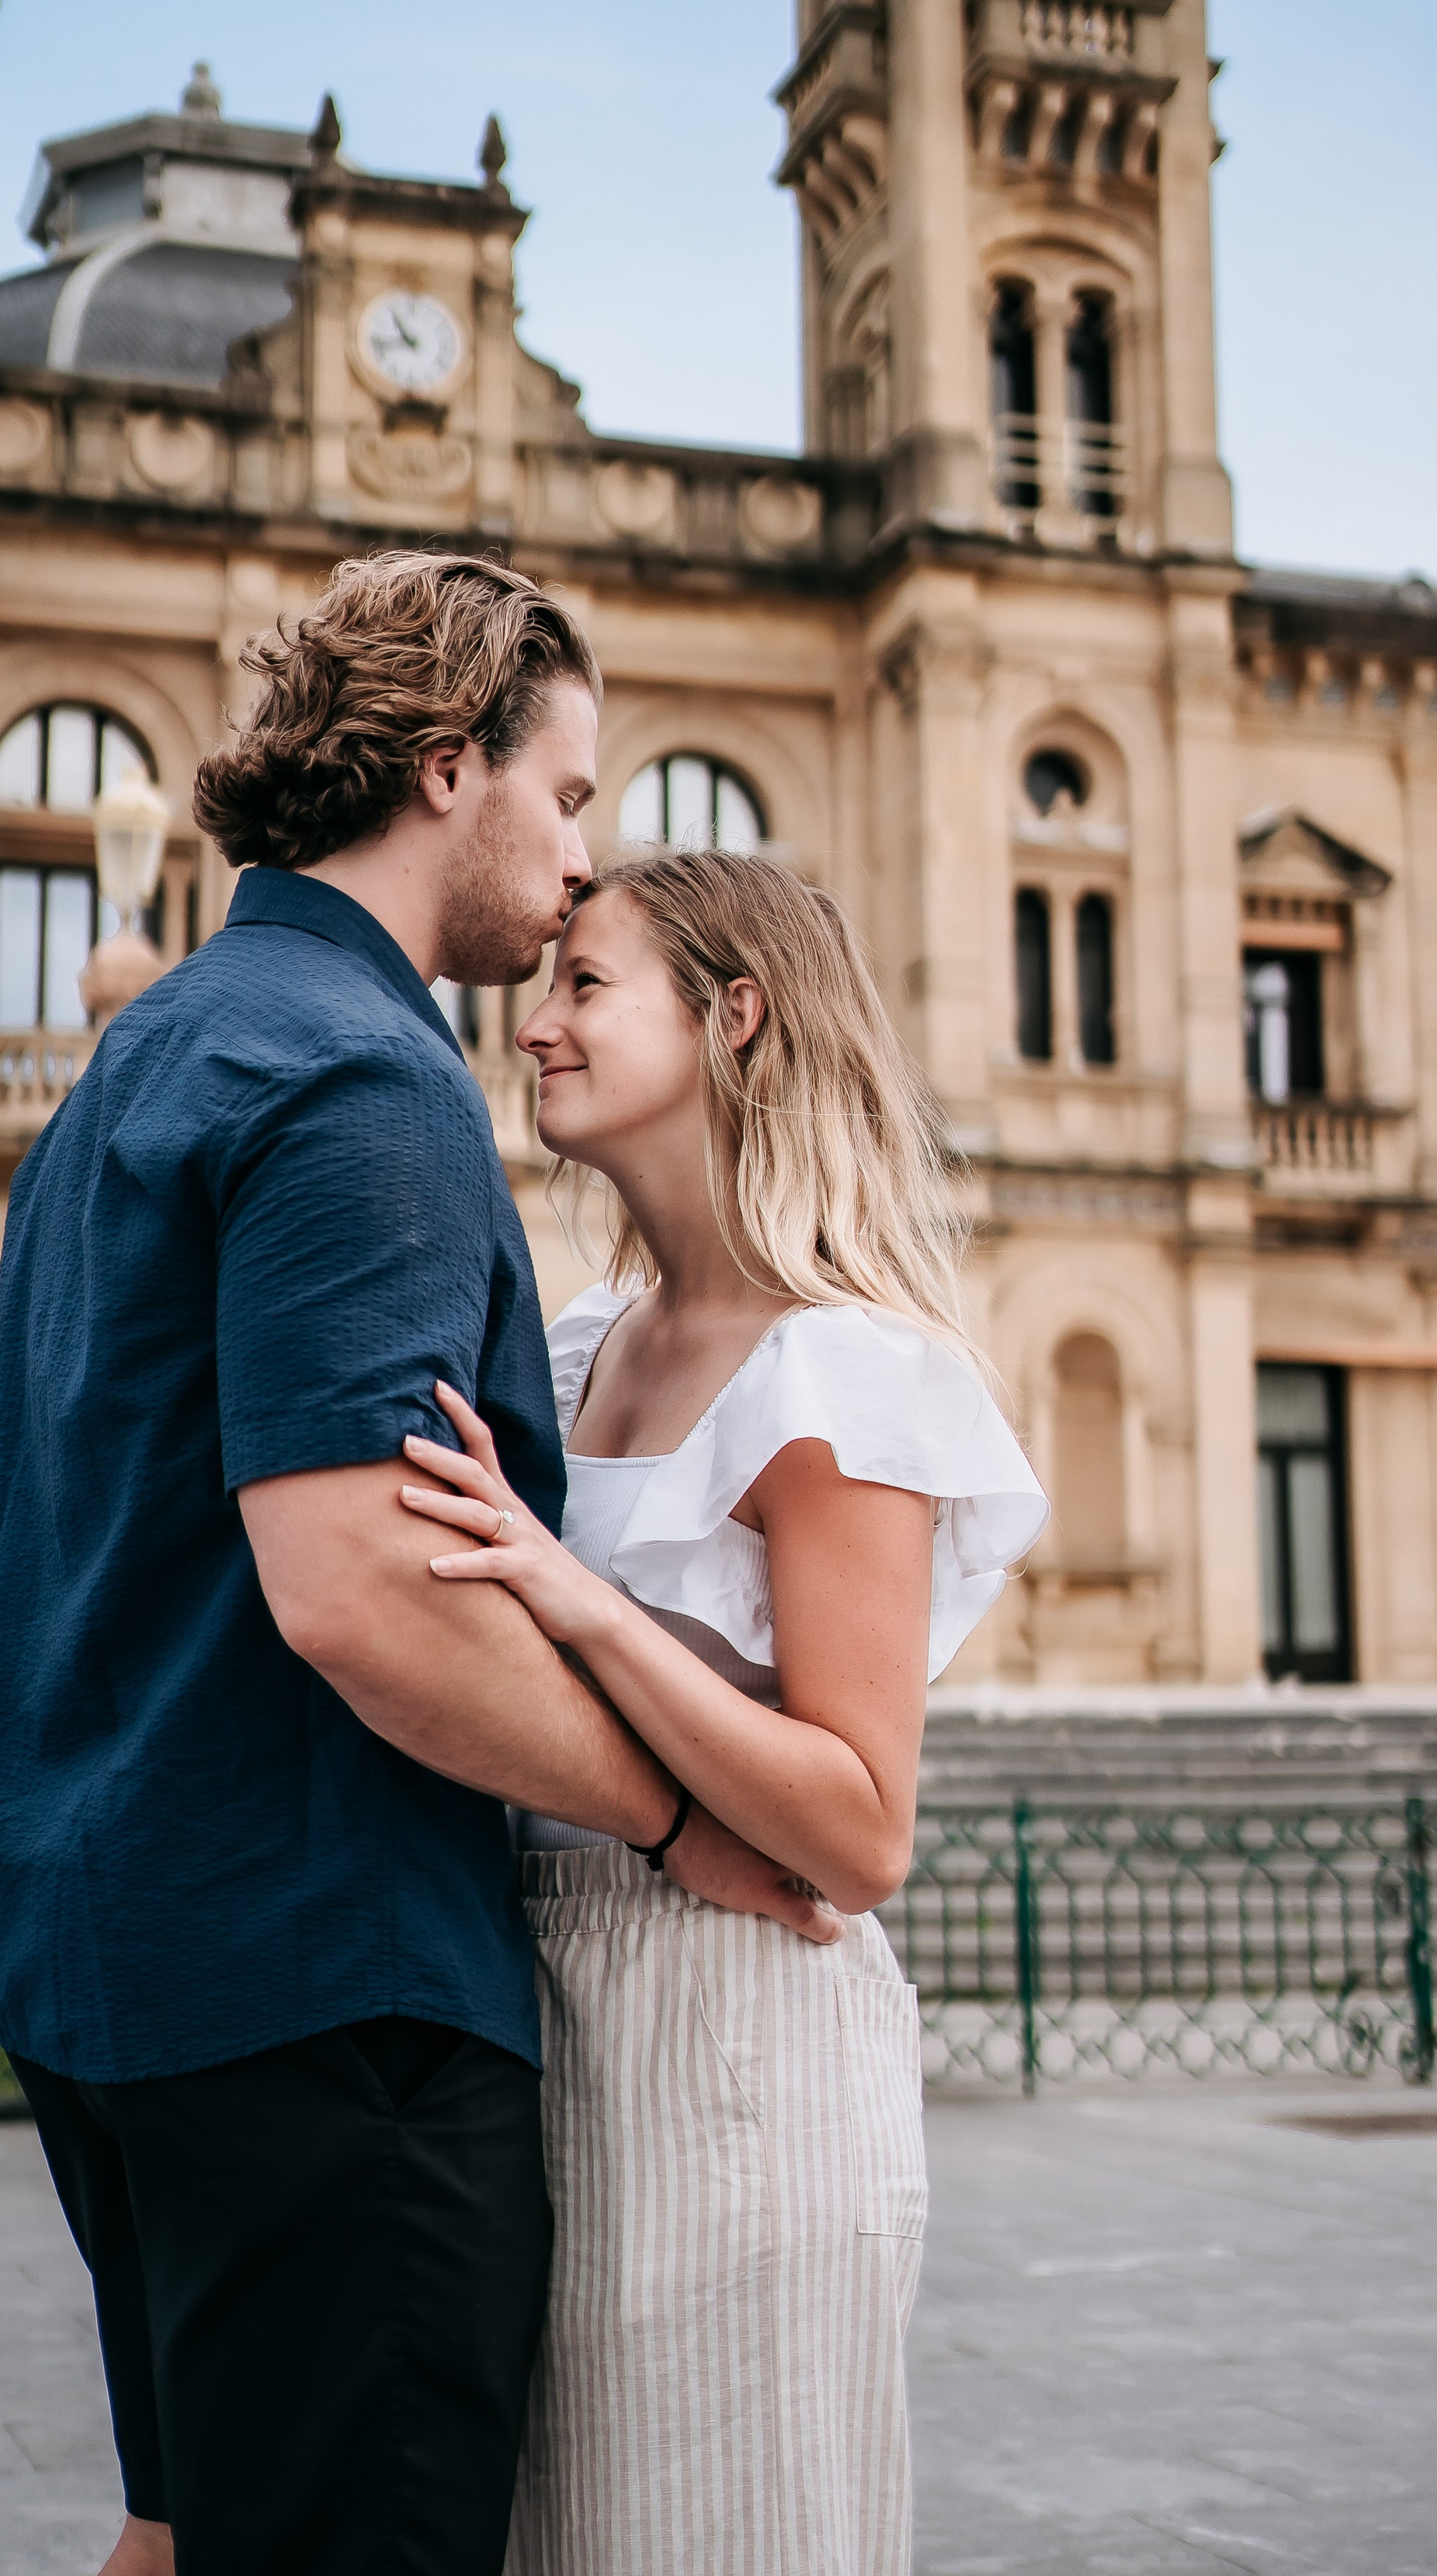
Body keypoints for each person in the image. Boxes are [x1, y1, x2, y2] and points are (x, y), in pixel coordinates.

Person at [0, 552, 835, 2576]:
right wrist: (670, 1814)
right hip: (323, 1993)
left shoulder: (143, 1062)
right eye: (573, 793)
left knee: (181, 2536)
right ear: (450, 768)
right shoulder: (363, 1079)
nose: (582, 852)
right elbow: (356, 1589)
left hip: (111, 1966)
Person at [390, 850, 1047, 2576]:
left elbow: (855, 1822)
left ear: (732, 1012)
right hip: (540, 2014)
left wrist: (573, 1595)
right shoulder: (580, 1339)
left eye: (585, 984)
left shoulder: (839, 1368)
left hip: (735, 2029)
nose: (535, 1028)